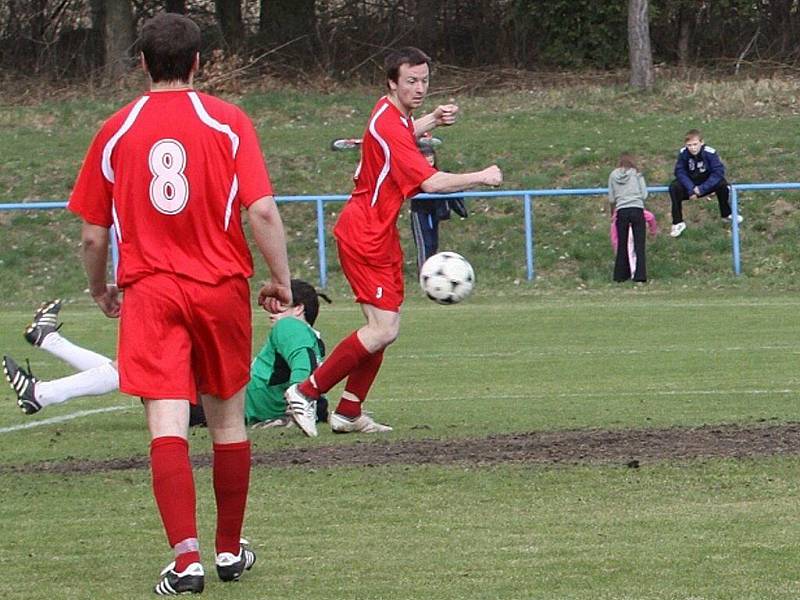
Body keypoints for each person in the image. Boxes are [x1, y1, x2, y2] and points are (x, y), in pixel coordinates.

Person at [66, 13, 291, 595]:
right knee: (228, 421)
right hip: (219, 288)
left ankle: (185, 557)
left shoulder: (116, 128)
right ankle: (228, 550)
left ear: (141, 61)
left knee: (166, 421)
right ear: (198, 62)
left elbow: (93, 235)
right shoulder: (230, 121)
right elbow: (261, 210)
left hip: (152, 291)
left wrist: (100, 287)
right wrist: (280, 279)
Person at [284, 46, 502, 438]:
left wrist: (431, 118)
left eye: (424, 81)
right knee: (382, 329)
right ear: (392, 82)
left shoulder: (389, 113)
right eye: (411, 81)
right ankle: (305, 392)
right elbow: (431, 182)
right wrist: (482, 175)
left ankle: (349, 412)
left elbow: (399, 135)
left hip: (378, 231)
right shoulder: (389, 125)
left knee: (385, 326)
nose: (419, 88)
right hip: (364, 233)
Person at [245, 279, 331, 428]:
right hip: (257, 407)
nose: (271, 314)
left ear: (298, 309)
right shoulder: (314, 339)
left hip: (241, 407)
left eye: (280, 306)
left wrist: (297, 405)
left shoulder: (289, 325)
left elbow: (302, 364)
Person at [668, 129, 741, 238]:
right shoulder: (683, 153)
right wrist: (691, 188)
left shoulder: (710, 153)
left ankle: (726, 214)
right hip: (691, 183)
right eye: (689, 145)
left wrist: (701, 189)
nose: (692, 148)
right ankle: (678, 222)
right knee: (674, 187)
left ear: (701, 142)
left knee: (722, 184)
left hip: (707, 183)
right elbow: (679, 171)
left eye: (695, 144)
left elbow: (718, 172)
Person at [409, 141, 468, 271]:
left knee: (433, 243)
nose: (430, 163)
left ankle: (432, 271)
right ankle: (423, 272)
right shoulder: (414, 175)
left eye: (431, 161)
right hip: (419, 212)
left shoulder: (438, 175)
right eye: (426, 161)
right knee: (424, 244)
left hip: (433, 212)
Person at [608, 153, 649, 283]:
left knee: (622, 244)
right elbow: (644, 194)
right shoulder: (637, 174)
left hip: (621, 211)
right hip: (637, 209)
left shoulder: (613, 175)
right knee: (639, 245)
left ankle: (620, 275)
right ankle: (640, 275)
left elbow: (611, 198)